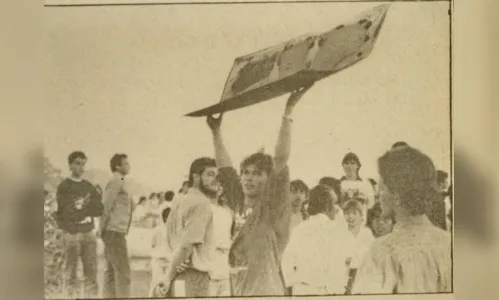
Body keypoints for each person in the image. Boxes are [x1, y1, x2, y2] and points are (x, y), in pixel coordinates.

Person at [209, 84, 314, 296]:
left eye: (257, 173)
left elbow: (281, 158)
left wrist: (288, 111)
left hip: (266, 290)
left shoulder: (272, 206)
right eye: (246, 172)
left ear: (269, 179)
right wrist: (215, 131)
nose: (249, 178)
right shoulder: (239, 201)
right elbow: (226, 168)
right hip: (239, 289)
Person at [352, 146, 452, 294]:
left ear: (397, 195)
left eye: (383, 187)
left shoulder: (382, 251)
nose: (378, 193)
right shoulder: (450, 244)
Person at [155, 157, 218, 297]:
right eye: (210, 174)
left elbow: (172, 239)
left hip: (181, 273)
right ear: (195, 176)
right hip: (195, 276)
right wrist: (168, 276)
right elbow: (186, 245)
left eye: (216, 175)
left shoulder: (181, 200)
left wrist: (171, 271)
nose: (215, 179)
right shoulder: (201, 203)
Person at [281, 184, 353, 295]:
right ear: (328, 206)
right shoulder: (338, 230)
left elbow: (286, 262)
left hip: (303, 290)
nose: (337, 209)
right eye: (335, 204)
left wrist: (293, 285)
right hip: (332, 291)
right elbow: (351, 260)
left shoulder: (299, 229)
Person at [55, 151, 103, 298]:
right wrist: (82, 209)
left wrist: (81, 207)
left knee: (91, 274)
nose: (81, 167)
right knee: (71, 274)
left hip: (88, 233)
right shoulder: (64, 186)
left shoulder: (89, 186)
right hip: (72, 233)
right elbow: (65, 212)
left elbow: (99, 209)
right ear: (70, 165)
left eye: (83, 164)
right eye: (77, 163)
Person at [99, 153, 134, 299]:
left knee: (111, 272)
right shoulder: (116, 181)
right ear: (117, 166)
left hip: (114, 232)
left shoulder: (121, 182)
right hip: (114, 232)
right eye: (125, 163)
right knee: (123, 273)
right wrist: (102, 229)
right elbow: (106, 206)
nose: (128, 166)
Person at [343, 199, 375, 294]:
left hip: (363, 273)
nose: (351, 216)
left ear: (361, 215)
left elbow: (372, 253)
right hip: (345, 274)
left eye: (354, 213)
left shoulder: (366, 233)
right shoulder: (341, 233)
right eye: (347, 213)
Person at [209, 186, 234, 297]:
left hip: (223, 267)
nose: (219, 187)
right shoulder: (202, 209)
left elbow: (229, 237)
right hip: (208, 268)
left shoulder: (226, 213)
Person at [339, 152, 375, 222]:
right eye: (346, 163)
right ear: (343, 165)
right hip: (343, 220)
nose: (349, 166)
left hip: (361, 220)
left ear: (358, 165)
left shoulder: (365, 184)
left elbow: (371, 205)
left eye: (352, 163)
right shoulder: (339, 184)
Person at [149, 207, 172, 292]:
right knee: (155, 282)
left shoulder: (173, 231)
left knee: (168, 284)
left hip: (169, 260)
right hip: (158, 259)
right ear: (166, 218)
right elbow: (152, 245)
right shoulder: (157, 230)